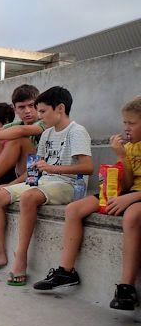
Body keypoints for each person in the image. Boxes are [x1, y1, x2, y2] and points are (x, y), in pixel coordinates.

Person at [0, 86, 93, 286]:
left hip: (68, 184)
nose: (38, 115)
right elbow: (35, 169)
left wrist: (52, 168)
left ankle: (21, 259)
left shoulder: (77, 131)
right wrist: (11, 185)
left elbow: (87, 167)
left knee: (28, 197)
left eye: (42, 111)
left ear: (60, 108)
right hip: (43, 182)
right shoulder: (49, 133)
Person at [33, 96, 141, 309]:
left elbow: (131, 191)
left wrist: (131, 197)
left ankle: (126, 287)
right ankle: (66, 271)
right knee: (74, 209)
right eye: (124, 122)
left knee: (132, 216)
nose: (126, 128)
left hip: (136, 197)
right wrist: (121, 156)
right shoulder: (129, 147)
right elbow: (126, 182)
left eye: (132, 123)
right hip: (125, 192)